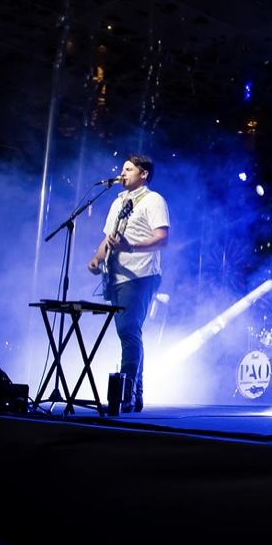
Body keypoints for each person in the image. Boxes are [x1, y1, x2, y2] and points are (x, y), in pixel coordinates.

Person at [88, 154, 170, 413]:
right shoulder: (118, 202)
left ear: (143, 174)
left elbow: (162, 238)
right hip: (116, 277)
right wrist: (97, 258)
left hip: (140, 275)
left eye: (128, 169)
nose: (121, 173)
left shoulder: (153, 200)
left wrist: (130, 247)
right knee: (128, 332)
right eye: (121, 169)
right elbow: (109, 237)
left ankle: (127, 392)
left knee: (128, 330)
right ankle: (135, 391)